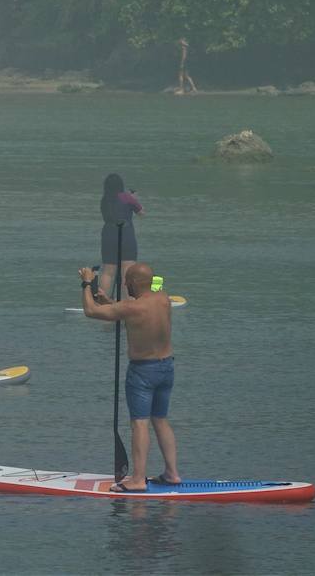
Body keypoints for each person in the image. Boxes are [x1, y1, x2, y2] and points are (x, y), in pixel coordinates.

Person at [79, 262, 180, 492]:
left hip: (143, 372)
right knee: (160, 419)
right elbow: (134, 312)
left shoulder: (131, 308)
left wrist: (86, 282)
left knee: (139, 424)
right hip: (166, 368)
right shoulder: (163, 299)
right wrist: (111, 303)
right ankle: (172, 473)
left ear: (134, 283)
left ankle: (137, 480)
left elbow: (90, 311)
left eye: (126, 282)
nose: (124, 284)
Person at [97, 173, 144, 302]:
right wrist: (134, 198)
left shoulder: (104, 199)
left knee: (108, 271)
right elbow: (141, 213)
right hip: (125, 233)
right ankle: (126, 302)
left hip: (108, 233)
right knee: (127, 270)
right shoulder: (127, 197)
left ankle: (102, 302)